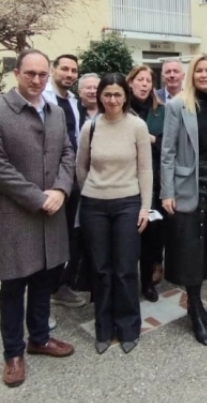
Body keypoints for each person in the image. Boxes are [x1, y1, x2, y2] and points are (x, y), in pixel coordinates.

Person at [0, 49, 76, 388]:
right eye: (30, 73)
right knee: (13, 285)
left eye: (42, 74)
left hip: (51, 211)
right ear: (17, 73)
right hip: (15, 215)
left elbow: (67, 153)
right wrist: (39, 198)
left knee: (44, 279)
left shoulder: (55, 112)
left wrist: (61, 189)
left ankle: (39, 338)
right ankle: (13, 353)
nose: (36, 80)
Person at [76, 73, 152, 355]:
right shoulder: (91, 127)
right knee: (101, 269)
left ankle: (129, 327)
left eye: (117, 94)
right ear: (99, 96)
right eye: (107, 94)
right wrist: (92, 189)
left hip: (128, 204)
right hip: (94, 205)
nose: (112, 100)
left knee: (125, 269)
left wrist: (145, 206)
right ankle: (104, 328)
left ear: (125, 96)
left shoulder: (137, 126)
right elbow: (81, 166)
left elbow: (145, 168)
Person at [161, 53, 207, 346]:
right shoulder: (177, 105)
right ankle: (194, 309)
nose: (204, 75)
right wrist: (167, 192)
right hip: (187, 185)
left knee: (206, 247)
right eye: (199, 70)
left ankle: (197, 301)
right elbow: (167, 152)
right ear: (192, 74)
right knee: (190, 248)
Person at [41, 54, 87, 309]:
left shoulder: (72, 101)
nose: (69, 74)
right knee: (49, 237)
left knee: (70, 233)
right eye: (65, 69)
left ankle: (59, 286)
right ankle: (44, 292)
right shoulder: (43, 97)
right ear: (53, 70)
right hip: (49, 179)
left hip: (72, 176)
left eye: (74, 71)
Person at [126, 65, 167, 302]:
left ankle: (148, 282)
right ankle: (128, 282)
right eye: (140, 80)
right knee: (130, 234)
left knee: (153, 235)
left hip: (155, 181)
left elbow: (168, 145)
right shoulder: (121, 108)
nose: (144, 84)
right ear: (130, 82)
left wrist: (149, 138)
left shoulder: (161, 111)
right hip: (127, 181)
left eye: (148, 81)